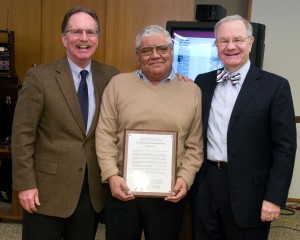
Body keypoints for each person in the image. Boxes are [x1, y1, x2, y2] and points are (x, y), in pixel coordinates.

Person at [11, 7, 119, 240]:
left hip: (91, 193)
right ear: (64, 38)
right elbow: (22, 135)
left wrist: (175, 78)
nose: (84, 38)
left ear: (97, 38)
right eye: (76, 31)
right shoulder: (40, 77)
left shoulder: (111, 77)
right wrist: (25, 184)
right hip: (46, 191)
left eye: (90, 32)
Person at [190, 15, 297, 240]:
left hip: (251, 191)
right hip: (207, 184)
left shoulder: (275, 86)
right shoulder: (202, 82)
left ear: (251, 42)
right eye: (223, 40)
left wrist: (275, 197)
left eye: (238, 39)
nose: (230, 46)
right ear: (216, 45)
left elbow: (285, 149)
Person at [95, 25, 204, 240]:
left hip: (169, 194)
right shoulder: (118, 85)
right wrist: (111, 175)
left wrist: (185, 178)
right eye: (147, 50)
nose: (155, 55)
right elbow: (105, 134)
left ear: (172, 53)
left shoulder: (192, 91)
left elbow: (195, 144)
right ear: (138, 56)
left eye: (162, 49)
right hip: (122, 190)